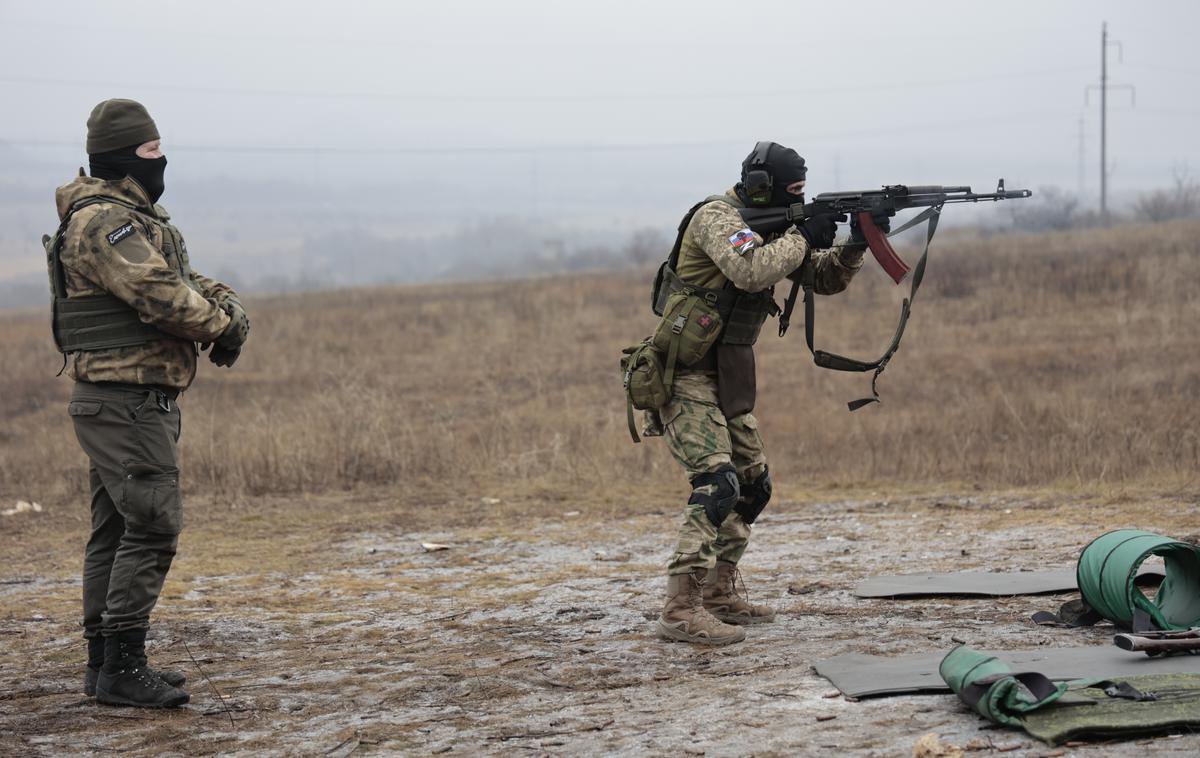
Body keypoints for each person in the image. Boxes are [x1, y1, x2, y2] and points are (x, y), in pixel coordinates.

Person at [45, 99, 250, 706]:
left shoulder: (130, 219)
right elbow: (160, 294)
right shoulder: (105, 223)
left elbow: (180, 278)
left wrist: (222, 303)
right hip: (124, 399)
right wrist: (222, 326)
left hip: (122, 399)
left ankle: (105, 662)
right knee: (153, 525)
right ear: (124, 154)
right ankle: (121, 667)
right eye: (153, 151)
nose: (164, 161)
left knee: (115, 531)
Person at [647, 141, 882, 645]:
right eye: (793, 191)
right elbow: (750, 268)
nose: (800, 198)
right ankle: (679, 609)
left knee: (754, 486)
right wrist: (802, 234)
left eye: (804, 192)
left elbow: (823, 278)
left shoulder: (775, 230)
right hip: (683, 373)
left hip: (727, 374)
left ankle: (718, 593)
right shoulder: (717, 217)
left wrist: (858, 241)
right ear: (761, 189)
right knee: (717, 483)